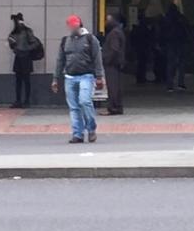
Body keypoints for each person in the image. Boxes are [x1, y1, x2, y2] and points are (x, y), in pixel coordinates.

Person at [51, 15, 105, 143]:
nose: (73, 28)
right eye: (71, 26)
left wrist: (99, 77)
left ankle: (91, 129)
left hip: (86, 75)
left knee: (84, 101)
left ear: (80, 24)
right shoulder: (65, 41)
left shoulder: (91, 39)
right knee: (74, 107)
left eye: (75, 25)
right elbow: (60, 60)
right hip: (69, 77)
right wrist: (55, 78)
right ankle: (78, 134)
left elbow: (97, 59)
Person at [7, 13, 42, 109]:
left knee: (26, 80)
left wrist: (25, 49)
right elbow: (12, 45)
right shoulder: (15, 32)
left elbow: (35, 43)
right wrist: (13, 45)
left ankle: (26, 100)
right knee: (19, 80)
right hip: (19, 57)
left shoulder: (27, 31)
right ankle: (18, 100)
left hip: (26, 57)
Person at [102, 12, 127, 116]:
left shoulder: (114, 33)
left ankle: (113, 108)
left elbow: (114, 49)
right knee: (116, 86)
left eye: (108, 19)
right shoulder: (118, 31)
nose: (106, 22)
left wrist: (107, 59)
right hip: (116, 63)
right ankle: (116, 106)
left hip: (112, 64)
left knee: (112, 86)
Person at [161, 4, 189, 92]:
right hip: (181, 43)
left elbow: (162, 32)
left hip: (170, 43)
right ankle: (181, 84)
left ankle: (169, 85)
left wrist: (161, 43)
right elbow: (187, 30)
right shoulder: (181, 18)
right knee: (181, 64)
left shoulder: (166, 19)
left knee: (170, 64)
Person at [130, 16, 154, 85]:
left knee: (140, 63)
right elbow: (149, 37)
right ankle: (141, 77)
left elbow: (133, 38)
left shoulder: (136, 29)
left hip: (138, 48)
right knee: (143, 63)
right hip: (144, 48)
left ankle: (140, 78)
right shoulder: (146, 29)